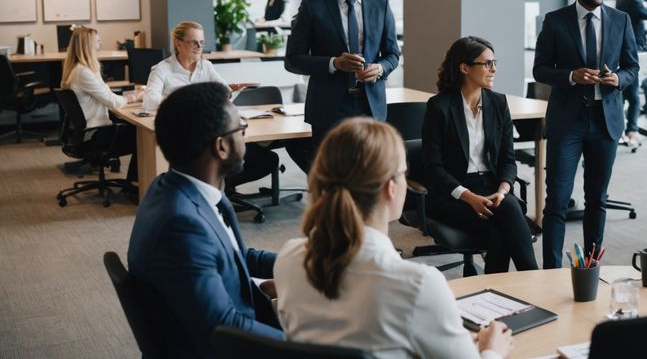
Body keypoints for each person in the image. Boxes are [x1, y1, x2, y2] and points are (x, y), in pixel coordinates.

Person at [274, 117, 514, 358]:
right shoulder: (416, 284)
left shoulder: (289, 258)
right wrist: (491, 349)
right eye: (403, 173)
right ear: (390, 188)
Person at [128, 82, 281, 358]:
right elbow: (225, 329)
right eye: (241, 129)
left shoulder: (178, 187)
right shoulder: (181, 225)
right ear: (221, 146)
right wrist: (308, 347)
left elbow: (238, 257)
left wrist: (305, 265)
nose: (244, 138)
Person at [533, 0, 639, 269]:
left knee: (598, 199)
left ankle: (590, 269)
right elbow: (540, 69)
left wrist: (618, 79)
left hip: (606, 120)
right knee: (556, 201)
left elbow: (632, 67)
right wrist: (570, 76)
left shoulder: (621, 20)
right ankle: (550, 271)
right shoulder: (555, 21)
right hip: (568, 122)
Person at [421, 37, 538, 273]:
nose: (494, 69)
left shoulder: (498, 103)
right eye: (487, 64)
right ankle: (534, 279)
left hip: (493, 186)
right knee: (505, 224)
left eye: (494, 62)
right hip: (453, 193)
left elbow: (508, 159)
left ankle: (495, 297)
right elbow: (433, 167)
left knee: (501, 223)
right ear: (464, 68)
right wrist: (469, 197)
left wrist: (503, 189)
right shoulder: (439, 106)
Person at [285, 0, 401, 153]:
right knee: (333, 178)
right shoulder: (312, 5)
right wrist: (334, 63)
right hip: (328, 109)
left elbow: (393, 54)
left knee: (369, 176)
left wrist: (381, 67)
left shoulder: (381, 5)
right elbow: (293, 60)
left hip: (371, 107)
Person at [142, 20, 276, 192]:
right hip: (184, 137)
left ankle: (219, 188)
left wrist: (230, 90)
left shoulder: (206, 66)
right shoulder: (162, 69)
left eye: (202, 43)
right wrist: (187, 98)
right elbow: (149, 101)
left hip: (211, 131)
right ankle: (211, 187)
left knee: (265, 159)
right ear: (178, 43)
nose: (199, 47)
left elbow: (224, 93)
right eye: (194, 42)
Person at [60, 26, 138, 185]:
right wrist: (136, 96)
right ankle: (134, 185)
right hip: (95, 134)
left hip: (87, 131)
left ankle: (134, 182)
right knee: (142, 134)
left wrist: (126, 96)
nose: (101, 43)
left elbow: (107, 96)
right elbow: (112, 102)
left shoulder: (78, 69)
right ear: (87, 45)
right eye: (98, 40)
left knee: (134, 129)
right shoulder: (84, 73)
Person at [615, 0, 647, 148]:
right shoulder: (633, 0)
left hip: (629, 47)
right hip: (634, 49)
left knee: (634, 91)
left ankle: (644, 116)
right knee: (634, 95)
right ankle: (633, 129)